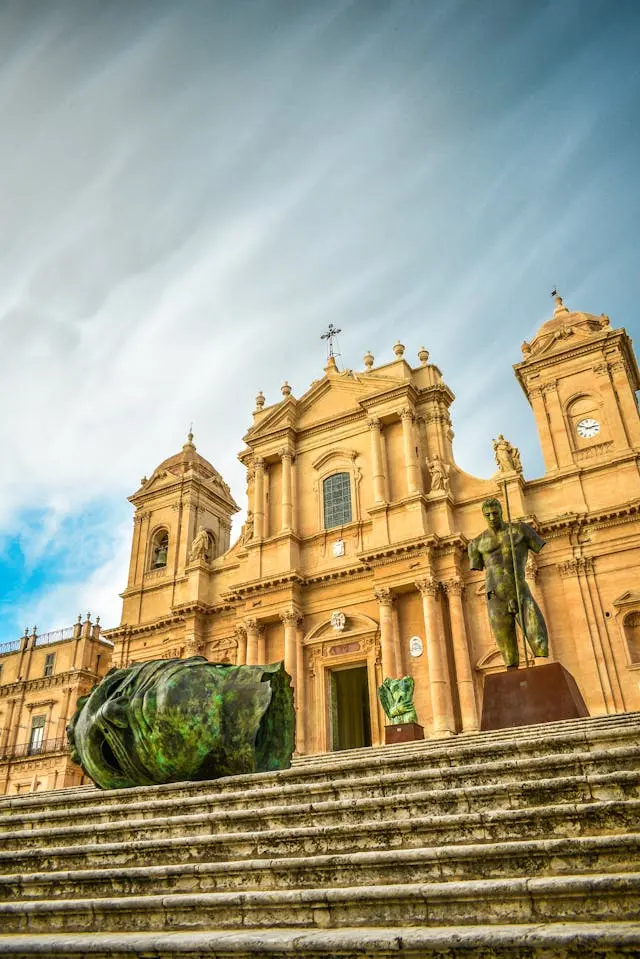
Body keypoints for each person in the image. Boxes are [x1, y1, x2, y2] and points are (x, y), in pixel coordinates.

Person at [468, 497, 548, 667]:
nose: (491, 517)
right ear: (483, 515)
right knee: (506, 647)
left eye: (495, 513)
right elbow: (477, 565)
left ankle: (544, 667)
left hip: (519, 588)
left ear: (501, 512)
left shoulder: (521, 531)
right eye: (487, 514)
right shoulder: (476, 544)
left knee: (537, 635)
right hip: (494, 594)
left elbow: (538, 545)